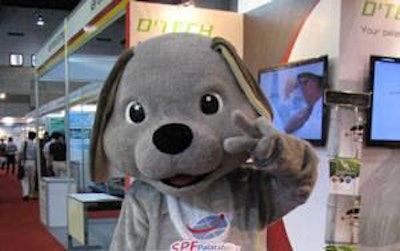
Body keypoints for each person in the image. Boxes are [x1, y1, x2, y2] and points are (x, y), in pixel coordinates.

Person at [284, 72, 324, 139]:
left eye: (305, 83)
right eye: (299, 84)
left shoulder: (319, 117)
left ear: (318, 83)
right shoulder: (308, 110)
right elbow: (287, 129)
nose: (301, 88)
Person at [20, 131, 37, 201]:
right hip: (32, 162)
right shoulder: (35, 144)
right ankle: (31, 194)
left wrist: (20, 162)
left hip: (25, 162)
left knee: (25, 179)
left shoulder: (24, 143)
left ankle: (25, 194)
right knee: (32, 179)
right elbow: (36, 155)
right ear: (34, 137)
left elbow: (21, 153)